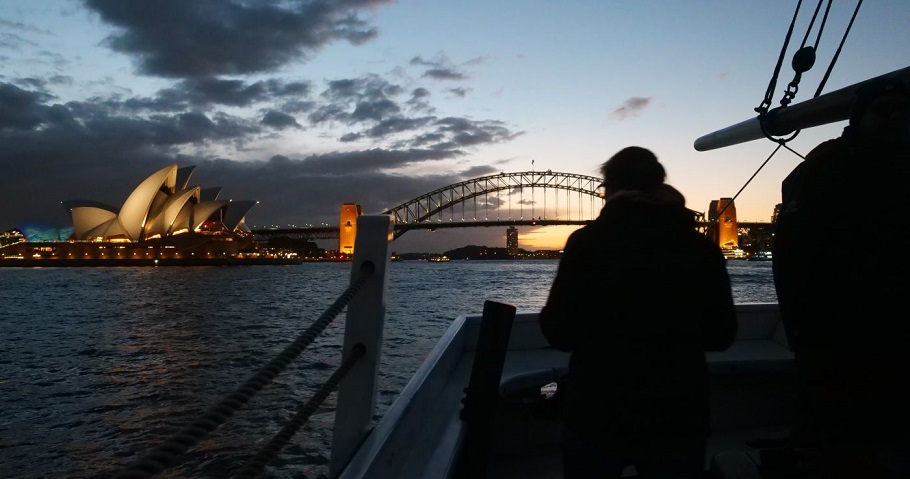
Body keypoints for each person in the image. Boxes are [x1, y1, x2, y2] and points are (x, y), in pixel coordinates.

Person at [539, 146, 738, 478]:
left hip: (597, 409)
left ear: (610, 188)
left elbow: (559, 332)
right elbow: (722, 335)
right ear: (659, 185)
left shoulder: (586, 243)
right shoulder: (700, 248)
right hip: (679, 411)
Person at [772, 79, 910, 478]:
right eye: (886, 109)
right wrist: (804, 331)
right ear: (861, 115)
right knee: (833, 435)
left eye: (904, 110)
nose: (897, 117)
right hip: (838, 332)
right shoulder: (827, 165)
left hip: (895, 330)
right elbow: (794, 257)